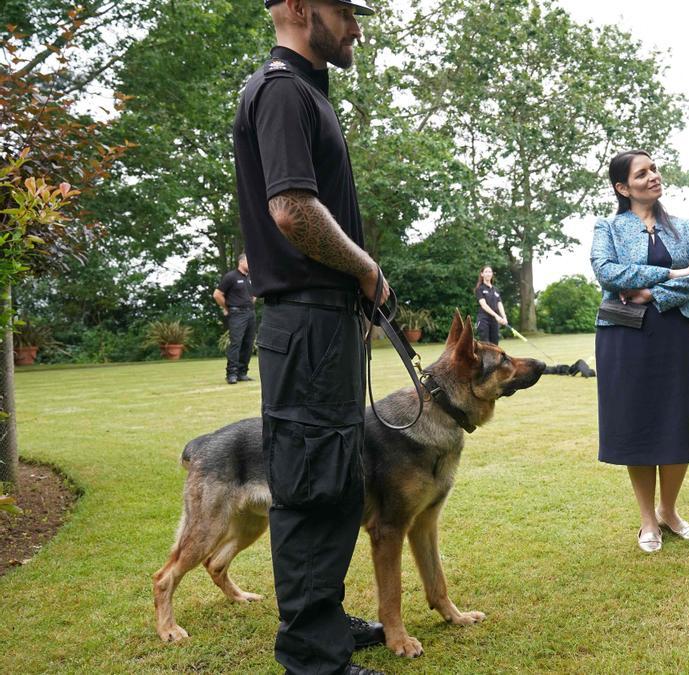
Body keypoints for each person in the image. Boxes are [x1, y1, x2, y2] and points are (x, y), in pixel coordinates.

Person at [233, 1, 390, 673]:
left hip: (324, 322)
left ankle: (322, 616)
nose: (357, 25)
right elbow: (293, 211)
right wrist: (366, 266)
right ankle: (310, 653)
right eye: (346, 10)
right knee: (307, 481)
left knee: (336, 477)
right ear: (299, 7)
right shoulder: (280, 91)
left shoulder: (306, 92)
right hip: (305, 322)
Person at [590, 150, 689, 554]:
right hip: (625, 339)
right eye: (642, 174)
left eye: (654, 169)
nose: (653, 177)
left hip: (676, 335)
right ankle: (647, 520)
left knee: (677, 421)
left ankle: (670, 512)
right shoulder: (607, 226)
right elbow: (608, 273)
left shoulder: (686, 227)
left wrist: (652, 292)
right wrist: (672, 273)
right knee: (636, 423)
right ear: (622, 187)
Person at [214, 253, 257, 385]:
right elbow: (217, 294)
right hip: (236, 314)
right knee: (236, 343)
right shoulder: (231, 277)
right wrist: (227, 308)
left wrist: (250, 303)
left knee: (248, 344)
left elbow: (254, 294)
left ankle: (242, 373)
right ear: (241, 262)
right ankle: (231, 374)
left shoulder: (251, 277)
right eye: (249, 262)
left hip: (250, 314)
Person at [474, 266, 508, 344]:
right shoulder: (480, 289)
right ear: (482, 274)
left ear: (492, 274)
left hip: (494, 321)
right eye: (486, 272)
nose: (488, 274)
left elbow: (499, 304)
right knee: (485, 344)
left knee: (495, 344)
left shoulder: (496, 290)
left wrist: (504, 317)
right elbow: (484, 305)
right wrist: (496, 315)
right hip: (483, 319)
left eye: (490, 272)